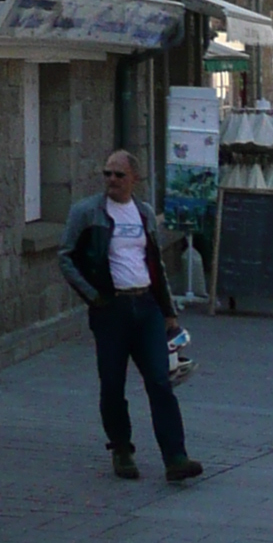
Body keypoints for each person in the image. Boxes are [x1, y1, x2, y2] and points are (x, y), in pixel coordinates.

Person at [57, 148, 204, 485]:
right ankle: (121, 448)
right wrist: (94, 297)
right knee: (112, 383)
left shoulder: (144, 214)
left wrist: (169, 313)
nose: (111, 180)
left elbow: (156, 263)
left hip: (146, 306)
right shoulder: (87, 212)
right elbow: (65, 257)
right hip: (111, 310)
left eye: (118, 175)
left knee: (160, 381)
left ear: (134, 179)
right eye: (106, 173)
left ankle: (175, 457)